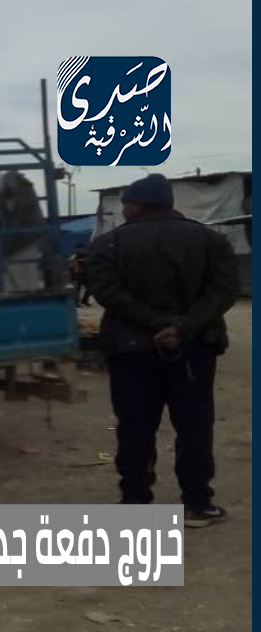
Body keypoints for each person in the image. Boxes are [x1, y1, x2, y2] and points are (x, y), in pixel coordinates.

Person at [87, 173, 239, 526]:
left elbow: (108, 293)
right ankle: (197, 505)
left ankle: (135, 501)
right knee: (194, 426)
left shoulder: (108, 244)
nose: (123, 209)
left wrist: (157, 324)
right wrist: (181, 327)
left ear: (137, 205)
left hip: (131, 351)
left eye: (126, 203)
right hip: (194, 350)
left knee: (135, 425)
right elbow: (223, 292)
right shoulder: (211, 241)